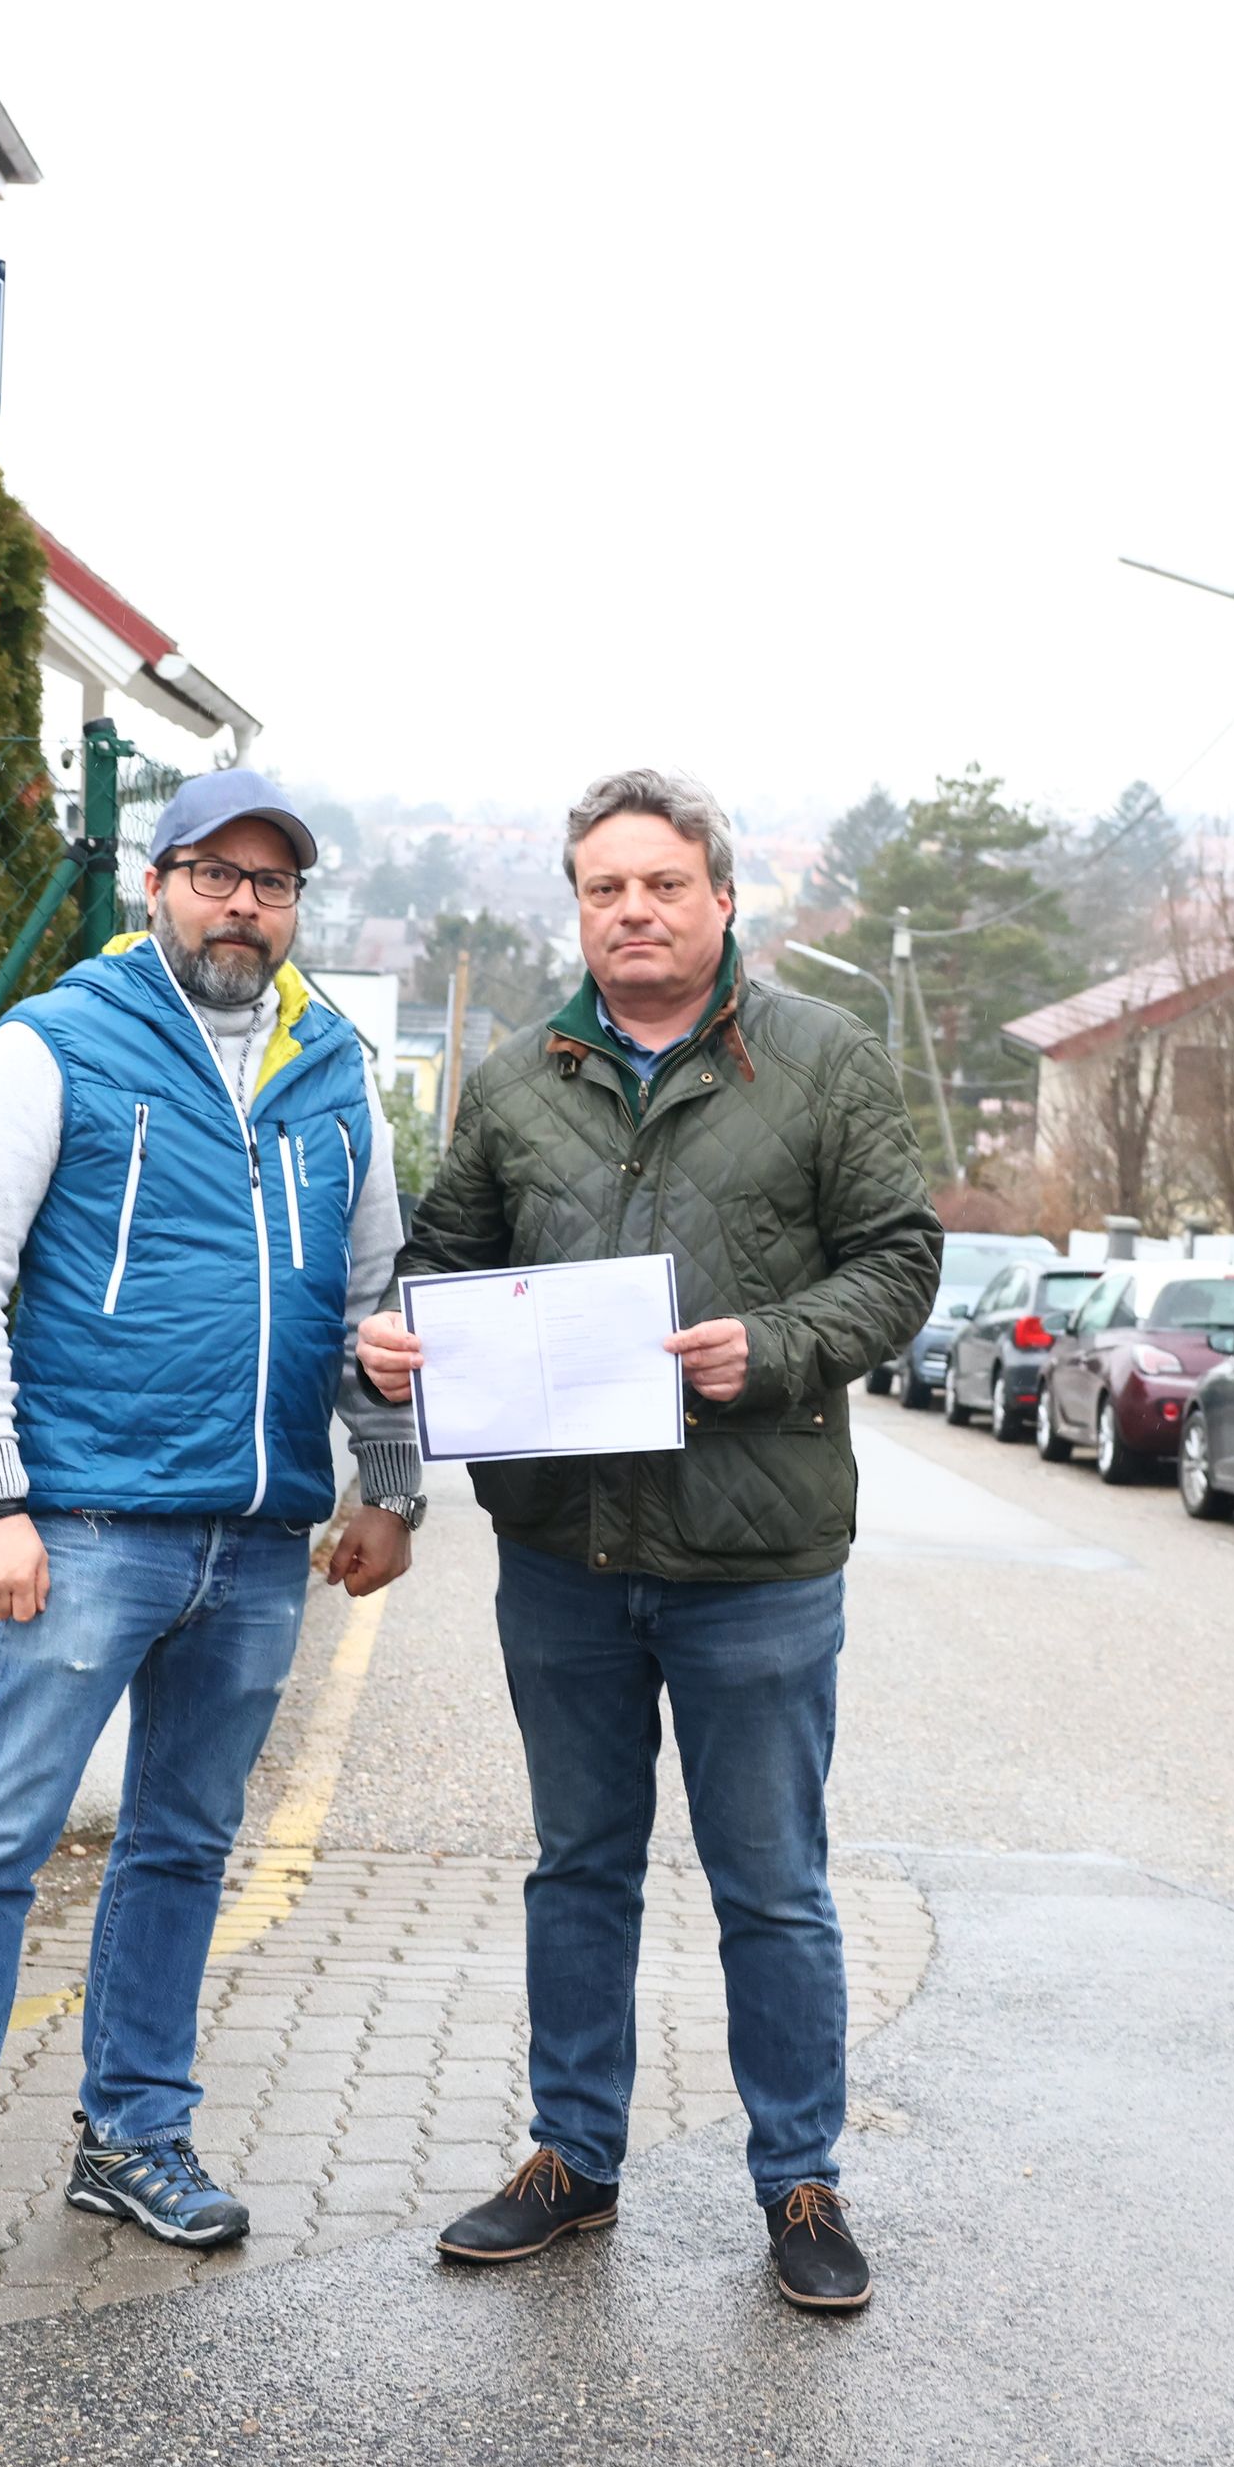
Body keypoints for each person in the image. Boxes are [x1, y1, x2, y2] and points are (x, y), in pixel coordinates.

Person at [0, 770, 425, 2317]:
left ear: (298, 912)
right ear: (154, 884)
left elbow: (379, 1305)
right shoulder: (55, 1044)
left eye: (274, 885)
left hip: (258, 1536)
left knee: (182, 1850)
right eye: (217, 875)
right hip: (83, 1525)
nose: (245, 904)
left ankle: (136, 2136)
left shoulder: (333, 1069)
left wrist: (386, 1486)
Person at [355, 768, 937, 2314]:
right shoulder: (517, 1080)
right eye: (604, 889)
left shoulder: (820, 1062)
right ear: (580, 906)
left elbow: (900, 1260)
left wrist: (787, 1345)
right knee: (580, 1869)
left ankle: (801, 2181)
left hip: (756, 1566)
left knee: (773, 1885)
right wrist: (400, 1342)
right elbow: (442, 1259)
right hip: (563, 1556)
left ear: (721, 898)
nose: (633, 912)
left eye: (662, 885)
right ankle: (574, 2160)